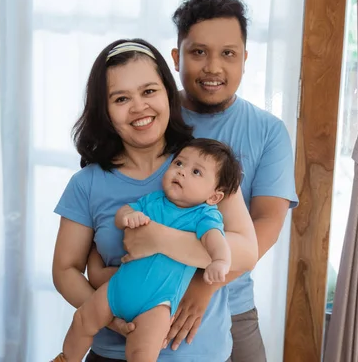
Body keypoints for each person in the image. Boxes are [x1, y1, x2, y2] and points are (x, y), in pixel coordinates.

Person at [107, 0, 299, 362]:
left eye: (228, 53)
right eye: (198, 52)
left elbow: (267, 224)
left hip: (228, 302)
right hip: (141, 294)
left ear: (245, 58)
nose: (213, 67)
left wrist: (204, 284)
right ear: (177, 58)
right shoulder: (151, 116)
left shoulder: (268, 130)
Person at [51, 38, 258, 362]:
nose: (139, 107)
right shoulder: (86, 184)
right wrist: (110, 316)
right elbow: (66, 269)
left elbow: (246, 251)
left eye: (149, 91)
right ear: (104, 110)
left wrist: (158, 239)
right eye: (121, 98)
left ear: (167, 92)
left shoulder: (204, 164)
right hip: (111, 353)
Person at [54, 138, 241, 362]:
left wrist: (220, 261)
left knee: (141, 352)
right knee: (82, 320)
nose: (181, 172)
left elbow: (216, 241)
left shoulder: (204, 216)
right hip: (116, 290)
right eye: (179, 164)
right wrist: (127, 217)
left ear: (214, 196)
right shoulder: (154, 200)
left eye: (196, 172)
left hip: (157, 303)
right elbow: (124, 212)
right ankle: (66, 358)